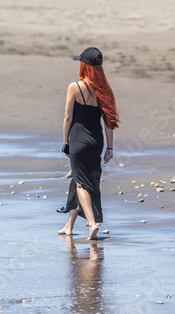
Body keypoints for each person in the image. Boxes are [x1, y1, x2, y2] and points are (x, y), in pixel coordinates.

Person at [57, 47, 120, 240]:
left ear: (84, 66)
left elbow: (68, 117)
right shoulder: (104, 90)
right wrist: (109, 147)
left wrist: (65, 142)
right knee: (80, 179)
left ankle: (92, 223)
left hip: (78, 140)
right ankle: (69, 226)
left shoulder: (75, 87)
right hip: (96, 140)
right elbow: (109, 122)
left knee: (81, 183)